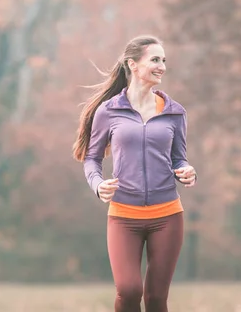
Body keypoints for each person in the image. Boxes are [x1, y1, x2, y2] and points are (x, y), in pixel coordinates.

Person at [73, 35, 197, 312]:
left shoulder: (175, 113)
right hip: (123, 216)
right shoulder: (109, 111)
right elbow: (91, 159)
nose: (162, 66)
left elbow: (179, 159)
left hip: (167, 215)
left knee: (155, 299)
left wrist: (187, 172)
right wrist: (98, 184)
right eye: (155, 60)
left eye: (164, 60)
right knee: (129, 291)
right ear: (133, 64)